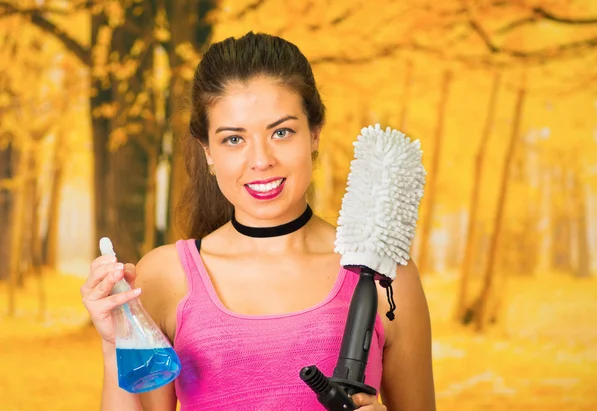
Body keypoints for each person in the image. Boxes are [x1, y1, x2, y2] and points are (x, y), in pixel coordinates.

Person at [81, 31, 436, 411]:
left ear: (314, 134)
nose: (261, 160)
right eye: (234, 139)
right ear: (209, 153)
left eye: (281, 132)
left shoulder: (386, 275)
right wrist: (113, 343)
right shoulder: (164, 278)